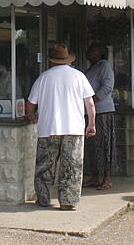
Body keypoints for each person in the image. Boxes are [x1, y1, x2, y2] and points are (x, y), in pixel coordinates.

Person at [26, 44, 96, 210]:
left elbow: (30, 104)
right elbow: (90, 104)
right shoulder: (79, 76)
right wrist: (91, 124)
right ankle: (67, 201)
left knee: (45, 165)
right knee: (72, 165)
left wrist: (31, 117)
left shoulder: (43, 77)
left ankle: (43, 199)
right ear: (68, 59)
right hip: (74, 128)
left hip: (48, 128)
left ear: (52, 61)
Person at [82, 42, 118, 191]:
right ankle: (95, 177)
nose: (89, 51)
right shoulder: (91, 68)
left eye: (93, 50)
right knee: (93, 145)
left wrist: (92, 100)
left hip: (102, 112)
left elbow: (107, 87)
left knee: (104, 144)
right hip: (90, 112)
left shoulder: (104, 66)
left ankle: (107, 178)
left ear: (100, 53)